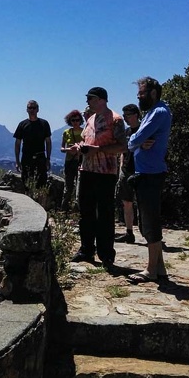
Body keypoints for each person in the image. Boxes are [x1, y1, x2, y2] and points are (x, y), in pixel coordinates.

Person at [70, 87, 127, 268]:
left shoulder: (116, 120)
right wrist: (80, 147)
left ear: (102, 99)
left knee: (104, 214)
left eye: (91, 98)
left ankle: (106, 254)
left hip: (105, 173)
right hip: (86, 170)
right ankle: (87, 249)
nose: (88, 101)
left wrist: (98, 150)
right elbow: (88, 141)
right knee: (85, 212)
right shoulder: (90, 120)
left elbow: (122, 147)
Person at [125, 77, 173, 283]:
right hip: (147, 172)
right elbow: (136, 141)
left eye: (141, 94)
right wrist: (137, 142)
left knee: (150, 222)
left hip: (151, 174)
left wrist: (136, 142)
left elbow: (135, 139)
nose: (138, 98)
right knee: (148, 221)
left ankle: (150, 270)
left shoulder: (159, 112)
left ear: (153, 93)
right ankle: (159, 268)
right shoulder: (151, 112)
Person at [115, 103, 141, 244]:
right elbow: (123, 151)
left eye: (127, 115)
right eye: (124, 116)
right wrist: (121, 167)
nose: (125, 118)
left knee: (142, 202)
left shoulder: (143, 130)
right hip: (126, 169)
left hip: (140, 170)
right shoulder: (127, 132)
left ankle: (146, 230)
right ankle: (129, 232)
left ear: (135, 115)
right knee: (127, 202)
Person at [13, 100, 52, 191]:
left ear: (38, 109)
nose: (32, 110)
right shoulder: (22, 125)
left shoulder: (44, 124)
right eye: (30, 108)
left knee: (42, 183)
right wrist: (17, 161)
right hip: (27, 157)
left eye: (34, 108)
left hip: (40, 157)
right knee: (26, 182)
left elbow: (48, 142)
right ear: (27, 110)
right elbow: (17, 143)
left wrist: (48, 158)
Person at [60, 109, 84, 211]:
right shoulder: (66, 132)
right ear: (70, 121)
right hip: (69, 162)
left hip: (81, 162)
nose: (75, 122)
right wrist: (68, 150)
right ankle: (64, 209)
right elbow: (62, 148)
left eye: (77, 120)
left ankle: (77, 209)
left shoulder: (84, 132)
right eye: (73, 120)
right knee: (68, 187)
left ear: (80, 120)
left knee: (80, 187)